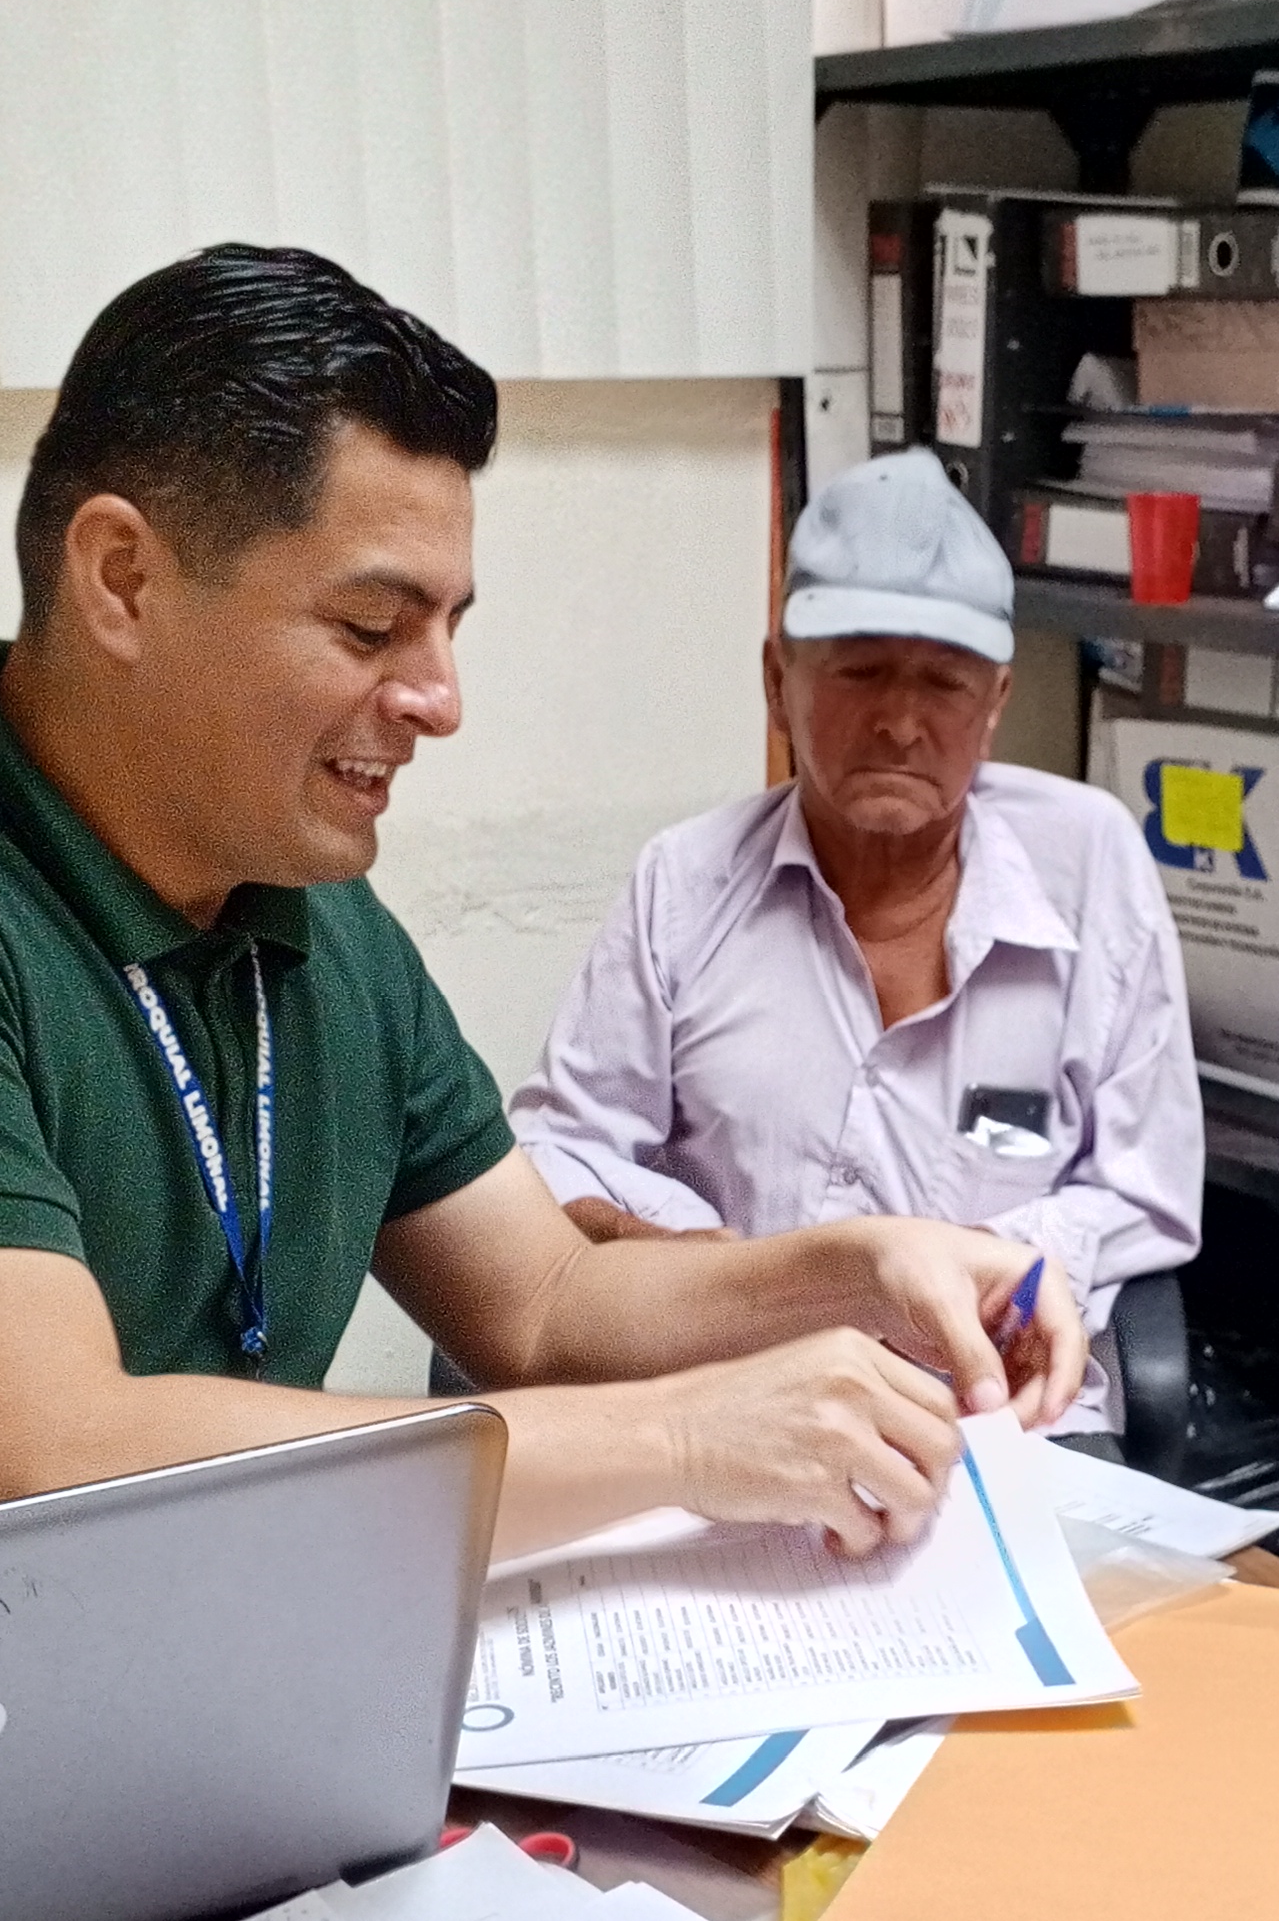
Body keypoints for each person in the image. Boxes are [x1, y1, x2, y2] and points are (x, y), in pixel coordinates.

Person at [0, 248, 1079, 1595]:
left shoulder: (316, 926)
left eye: (448, 630)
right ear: (123, 580)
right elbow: (42, 1464)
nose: (439, 699)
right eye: (370, 625)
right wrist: (682, 1439)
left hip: (157, 1691)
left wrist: (860, 1269)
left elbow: (543, 1301)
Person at [507, 451, 1197, 1450]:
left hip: (1003, 1423)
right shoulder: (687, 883)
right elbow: (558, 1149)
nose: (901, 723)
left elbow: (1145, 1190)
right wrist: (713, 1263)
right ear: (776, 682)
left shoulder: (1091, 865)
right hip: (742, 1410)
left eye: (944, 683)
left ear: (995, 703)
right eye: (861, 671)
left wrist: (976, 1267)